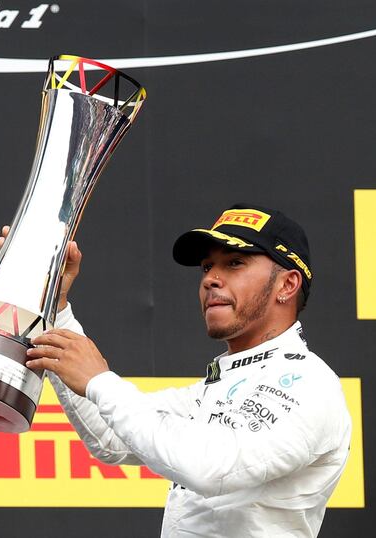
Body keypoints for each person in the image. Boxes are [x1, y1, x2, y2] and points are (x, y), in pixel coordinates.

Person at [22, 204, 351, 537]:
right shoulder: (222, 384)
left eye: (234, 263)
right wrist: (55, 305)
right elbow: (110, 439)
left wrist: (99, 382)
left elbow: (210, 467)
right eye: (207, 266)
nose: (210, 279)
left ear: (287, 285)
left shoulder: (309, 384)